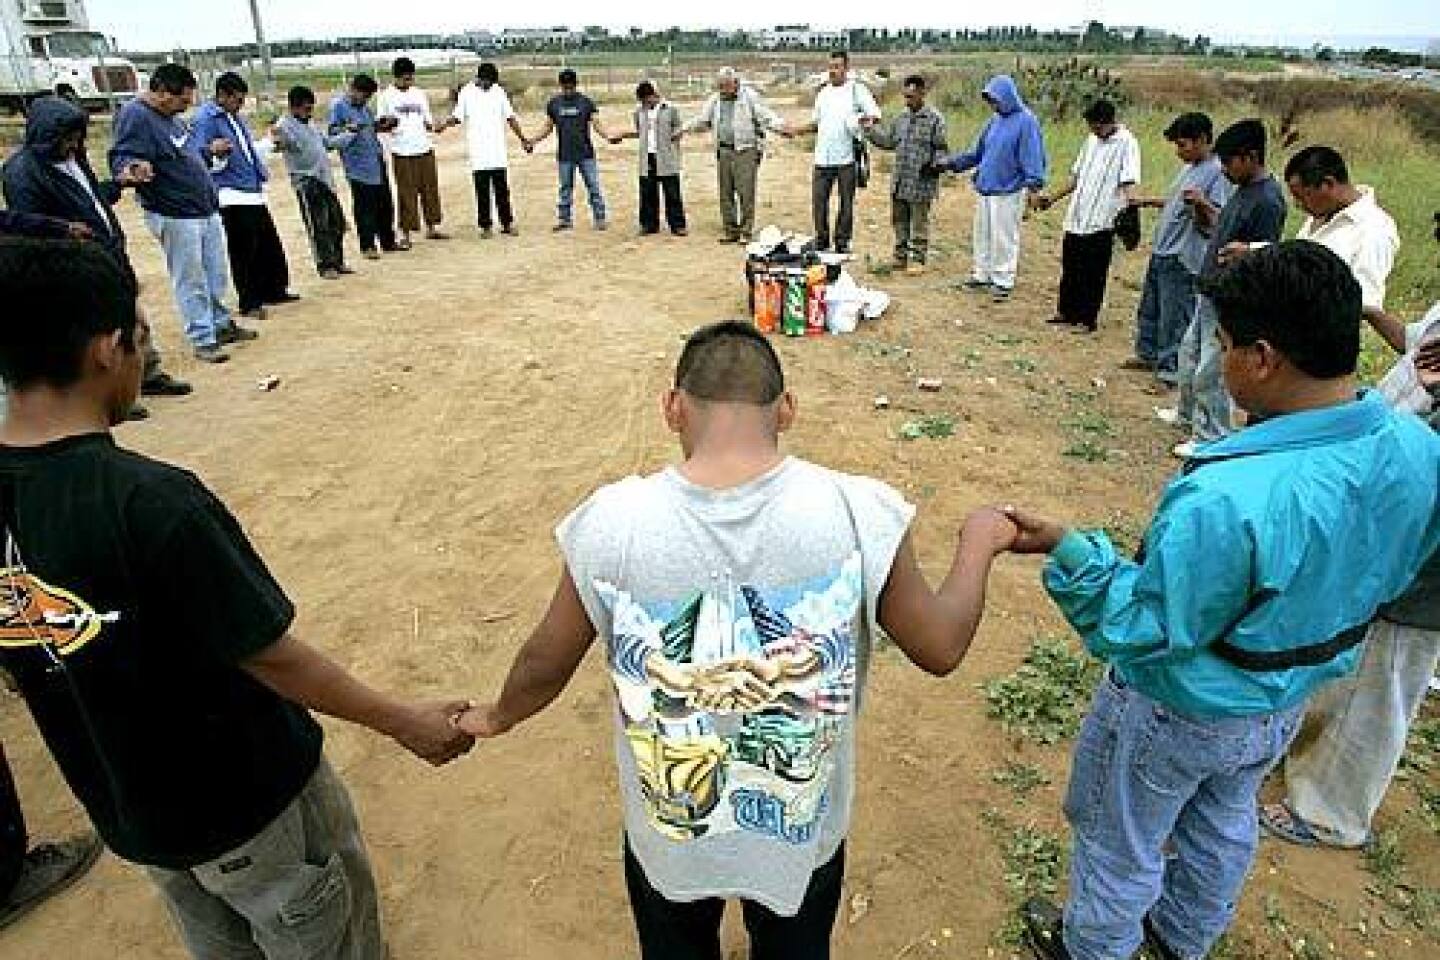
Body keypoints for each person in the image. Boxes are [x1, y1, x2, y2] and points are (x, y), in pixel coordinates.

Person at [454, 320, 1020, 959]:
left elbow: (542, 661)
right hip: (801, 841)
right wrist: (979, 541)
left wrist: (497, 716)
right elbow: (941, 647)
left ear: (672, 408)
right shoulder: (856, 510)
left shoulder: (613, 521)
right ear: (787, 408)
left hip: (670, 840)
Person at [0, 235, 475, 958]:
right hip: (247, 806)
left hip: (132, 813)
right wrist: (404, 719)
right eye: (139, 336)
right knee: (322, 935)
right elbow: (270, 655)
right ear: (105, 350)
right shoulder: (151, 501)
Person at [1004, 241, 1440, 960]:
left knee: (1121, 841)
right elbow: (1402, 568)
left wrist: (1074, 552)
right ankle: (1181, 940)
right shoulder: (1415, 449)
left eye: (1228, 344)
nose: (1224, 356)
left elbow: (1145, 627)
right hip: (1283, 699)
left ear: (1262, 358)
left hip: (1183, 707)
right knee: (1221, 820)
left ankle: (1095, 947)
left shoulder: (1228, 497)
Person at [1258, 219, 1440, 852]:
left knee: (1382, 682)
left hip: (1425, 562)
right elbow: (1414, 350)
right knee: (1352, 660)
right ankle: (1307, 766)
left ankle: (1333, 813)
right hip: (1393, 523)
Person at [2, 95, 191, 409]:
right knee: (99, 332)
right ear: (47, 136)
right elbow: (29, 227)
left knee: (132, 320)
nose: (73, 144)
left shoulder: (75, 159)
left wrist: (120, 183)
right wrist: (66, 234)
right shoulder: (22, 172)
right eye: (67, 138)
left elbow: (93, 199)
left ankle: (146, 374)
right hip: (76, 264)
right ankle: (111, 395)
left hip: (107, 251)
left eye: (77, 137)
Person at [110, 63, 256, 365]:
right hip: (175, 212)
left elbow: (183, 154)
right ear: (162, 92)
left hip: (203, 208)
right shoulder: (136, 116)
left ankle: (220, 323)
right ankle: (203, 337)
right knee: (191, 278)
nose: (187, 105)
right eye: (182, 99)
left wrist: (209, 151)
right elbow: (123, 157)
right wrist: (132, 170)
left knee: (215, 272)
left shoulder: (171, 118)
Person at [1163, 119, 1286, 459]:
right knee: (1189, 356)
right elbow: (1223, 227)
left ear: (1250, 157)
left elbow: (1269, 253)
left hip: (1231, 297)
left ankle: (1211, 435)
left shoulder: (1268, 201)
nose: (1225, 171)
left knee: (1212, 370)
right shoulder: (1242, 191)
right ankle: (1186, 416)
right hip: (1210, 288)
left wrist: (1248, 253)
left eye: (1229, 163)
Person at [1222, 146, 1399, 346]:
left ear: (1327, 184)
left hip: (1320, 343)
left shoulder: (1374, 230)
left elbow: (1363, 302)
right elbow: (1298, 256)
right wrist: (1254, 252)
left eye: (1301, 196)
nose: (1300, 205)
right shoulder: (1323, 212)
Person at [1125, 112, 1230, 385]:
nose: (1179, 151)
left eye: (1183, 145)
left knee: (1175, 314)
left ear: (1203, 140)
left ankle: (1169, 370)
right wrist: (1147, 202)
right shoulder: (1190, 168)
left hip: (1184, 254)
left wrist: (1201, 204)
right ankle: (1147, 353)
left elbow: (1218, 220)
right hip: (1163, 248)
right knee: (1151, 307)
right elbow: (1174, 201)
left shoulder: (1218, 173)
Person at [189, 72, 297, 321]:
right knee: (244, 251)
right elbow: (198, 157)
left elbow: (246, 151)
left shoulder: (234, 118)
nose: (240, 104)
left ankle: (273, 289)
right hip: (230, 194)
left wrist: (269, 144)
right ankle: (249, 300)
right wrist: (213, 152)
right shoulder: (206, 119)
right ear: (222, 96)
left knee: (267, 246)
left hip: (251, 189)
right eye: (237, 99)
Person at [1032, 100, 1141, 333]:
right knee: (1071, 266)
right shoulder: (1091, 141)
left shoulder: (1127, 143)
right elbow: (1076, 177)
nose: (1094, 132)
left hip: (1103, 219)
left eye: (1098, 128)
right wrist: (1052, 198)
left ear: (1110, 122)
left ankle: (1087, 318)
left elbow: (1129, 180)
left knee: (1094, 272)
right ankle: (1066, 312)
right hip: (1078, 215)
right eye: (1091, 127)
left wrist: (1132, 208)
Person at [943, 74, 1047, 303]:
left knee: (1004, 236)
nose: (993, 105)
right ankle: (982, 274)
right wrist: (952, 163)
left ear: (1008, 97)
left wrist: (1034, 187)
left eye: (995, 100)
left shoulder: (1026, 121)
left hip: (1009, 190)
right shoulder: (994, 121)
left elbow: (1033, 158)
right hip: (987, 188)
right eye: (990, 101)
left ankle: (1003, 279)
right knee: (983, 234)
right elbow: (977, 153)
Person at [678, 67, 792, 244]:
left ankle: (745, 231)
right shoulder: (715, 100)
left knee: (746, 192)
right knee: (726, 193)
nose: (723, 90)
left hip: (745, 150)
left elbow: (766, 117)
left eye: (726, 86)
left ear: (735, 83)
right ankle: (730, 231)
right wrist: (683, 129)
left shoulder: (750, 97)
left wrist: (782, 127)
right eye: (720, 86)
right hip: (723, 151)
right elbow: (703, 120)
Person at [793, 50, 880, 255]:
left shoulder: (856, 90)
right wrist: (796, 130)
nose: (833, 71)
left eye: (837, 67)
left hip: (846, 158)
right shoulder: (823, 93)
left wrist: (863, 121)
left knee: (846, 203)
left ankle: (842, 242)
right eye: (830, 67)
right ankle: (822, 240)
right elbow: (816, 123)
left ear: (846, 68)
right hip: (822, 157)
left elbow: (875, 115)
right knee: (819, 201)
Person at [864, 74, 949, 276]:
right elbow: (888, 142)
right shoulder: (901, 118)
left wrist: (936, 165)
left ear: (922, 93)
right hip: (901, 180)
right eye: (906, 96)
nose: (908, 100)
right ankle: (900, 256)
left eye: (911, 96)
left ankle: (918, 258)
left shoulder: (935, 119)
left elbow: (942, 148)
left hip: (921, 181)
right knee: (899, 220)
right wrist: (870, 130)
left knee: (919, 221)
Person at [441, 62, 530, 238]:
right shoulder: (466, 92)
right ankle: (486, 226)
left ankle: (507, 223)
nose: (490, 85)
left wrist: (522, 138)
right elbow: (458, 117)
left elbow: (510, 117)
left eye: (492, 82)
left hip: (497, 150)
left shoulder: (498, 91)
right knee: (482, 191)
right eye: (487, 82)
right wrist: (444, 124)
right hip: (478, 151)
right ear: (479, 79)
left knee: (502, 189)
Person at [274, 85, 354, 280]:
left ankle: (337, 260)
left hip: (325, 180)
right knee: (318, 225)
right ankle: (325, 265)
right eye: (306, 108)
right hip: (306, 181)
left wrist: (349, 134)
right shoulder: (284, 125)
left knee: (336, 223)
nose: (309, 112)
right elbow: (284, 143)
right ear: (294, 107)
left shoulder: (310, 125)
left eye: (311, 108)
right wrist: (278, 138)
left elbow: (327, 143)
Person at [532, 69, 616, 232]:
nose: (568, 90)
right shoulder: (554, 104)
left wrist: (608, 137)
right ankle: (565, 220)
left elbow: (596, 124)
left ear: (576, 85)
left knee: (593, 186)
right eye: (565, 87)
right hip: (565, 155)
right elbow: (548, 127)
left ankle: (600, 218)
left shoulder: (586, 102)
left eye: (571, 87)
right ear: (561, 86)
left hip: (585, 154)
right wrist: (533, 140)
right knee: (565, 188)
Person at [377, 57, 449, 246]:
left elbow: (427, 121)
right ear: (397, 77)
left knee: (430, 190)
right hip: (402, 151)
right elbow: (380, 124)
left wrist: (436, 127)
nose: (409, 82)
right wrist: (388, 125)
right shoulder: (386, 96)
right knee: (406, 193)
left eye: (411, 78)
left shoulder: (419, 94)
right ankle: (405, 233)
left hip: (424, 147)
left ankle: (432, 227)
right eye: (405, 79)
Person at [328, 74, 401, 259]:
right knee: (364, 208)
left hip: (375, 160)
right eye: (364, 95)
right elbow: (332, 135)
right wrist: (348, 130)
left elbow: (369, 128)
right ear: (354, 89)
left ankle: (388, 241)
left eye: (369, 97)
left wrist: (382, 124)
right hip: (358, 166)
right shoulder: (339, 107)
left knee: (385, 204)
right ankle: (367, 246)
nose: (366, 99)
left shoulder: (365, 109)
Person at [611, 81, 687, 237]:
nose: (645, 103)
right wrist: (624, 135)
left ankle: (677, 225)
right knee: (647, 192)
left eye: (647, 100)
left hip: (666, 157)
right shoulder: (638, 113)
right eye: (642, 101)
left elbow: (679, 127)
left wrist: (678, 134)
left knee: (672, 192)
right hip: (647, 157)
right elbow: (641, 132)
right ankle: (648, 224)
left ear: (654, 95)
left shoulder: (670, 110)